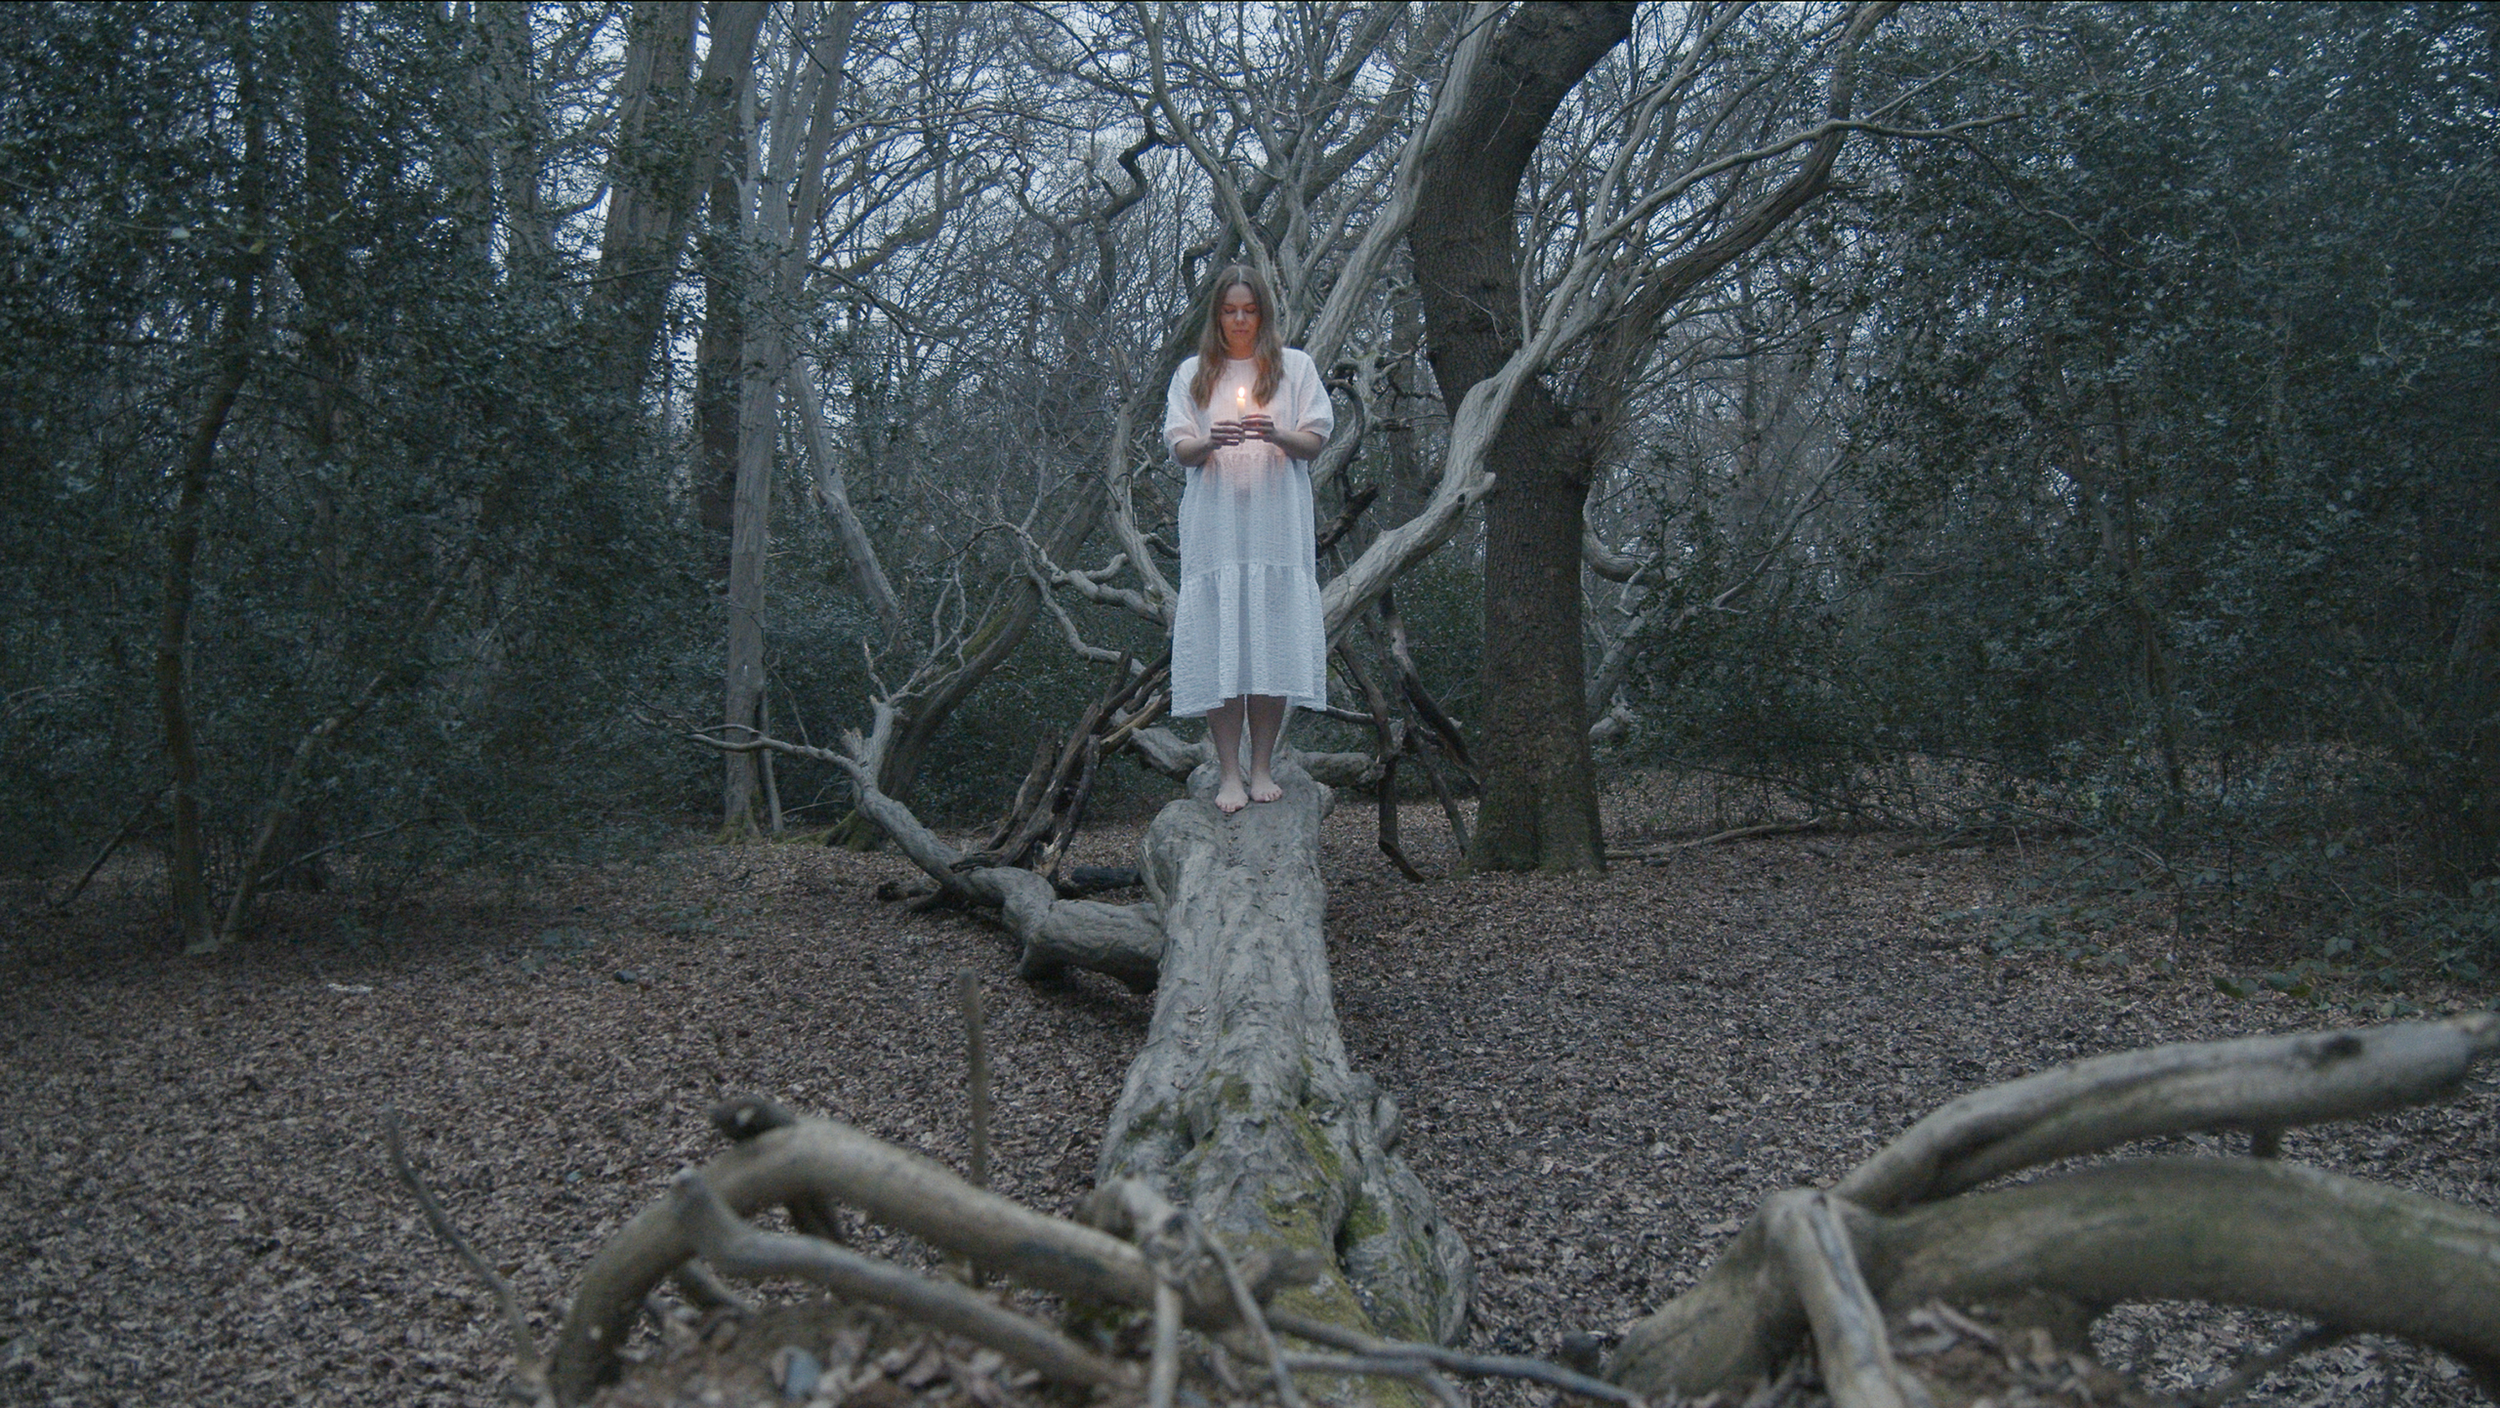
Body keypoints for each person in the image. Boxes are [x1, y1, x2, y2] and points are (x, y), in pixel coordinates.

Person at [1161, 266, 1334, 814]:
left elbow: (1314, 439)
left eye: (1249, 310)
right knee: (1221, 643)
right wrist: (1210, 441)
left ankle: (1262, 766)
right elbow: (1179, 448)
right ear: (1217, 316)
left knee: (1271, 638)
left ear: (1264, 314)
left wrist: (1273, 432)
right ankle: (1229, 773)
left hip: (1275, 524)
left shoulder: (1296, 368)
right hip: (1216, 526)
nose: (1240, 320)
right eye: (1230, 310)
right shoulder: (1193, 373)